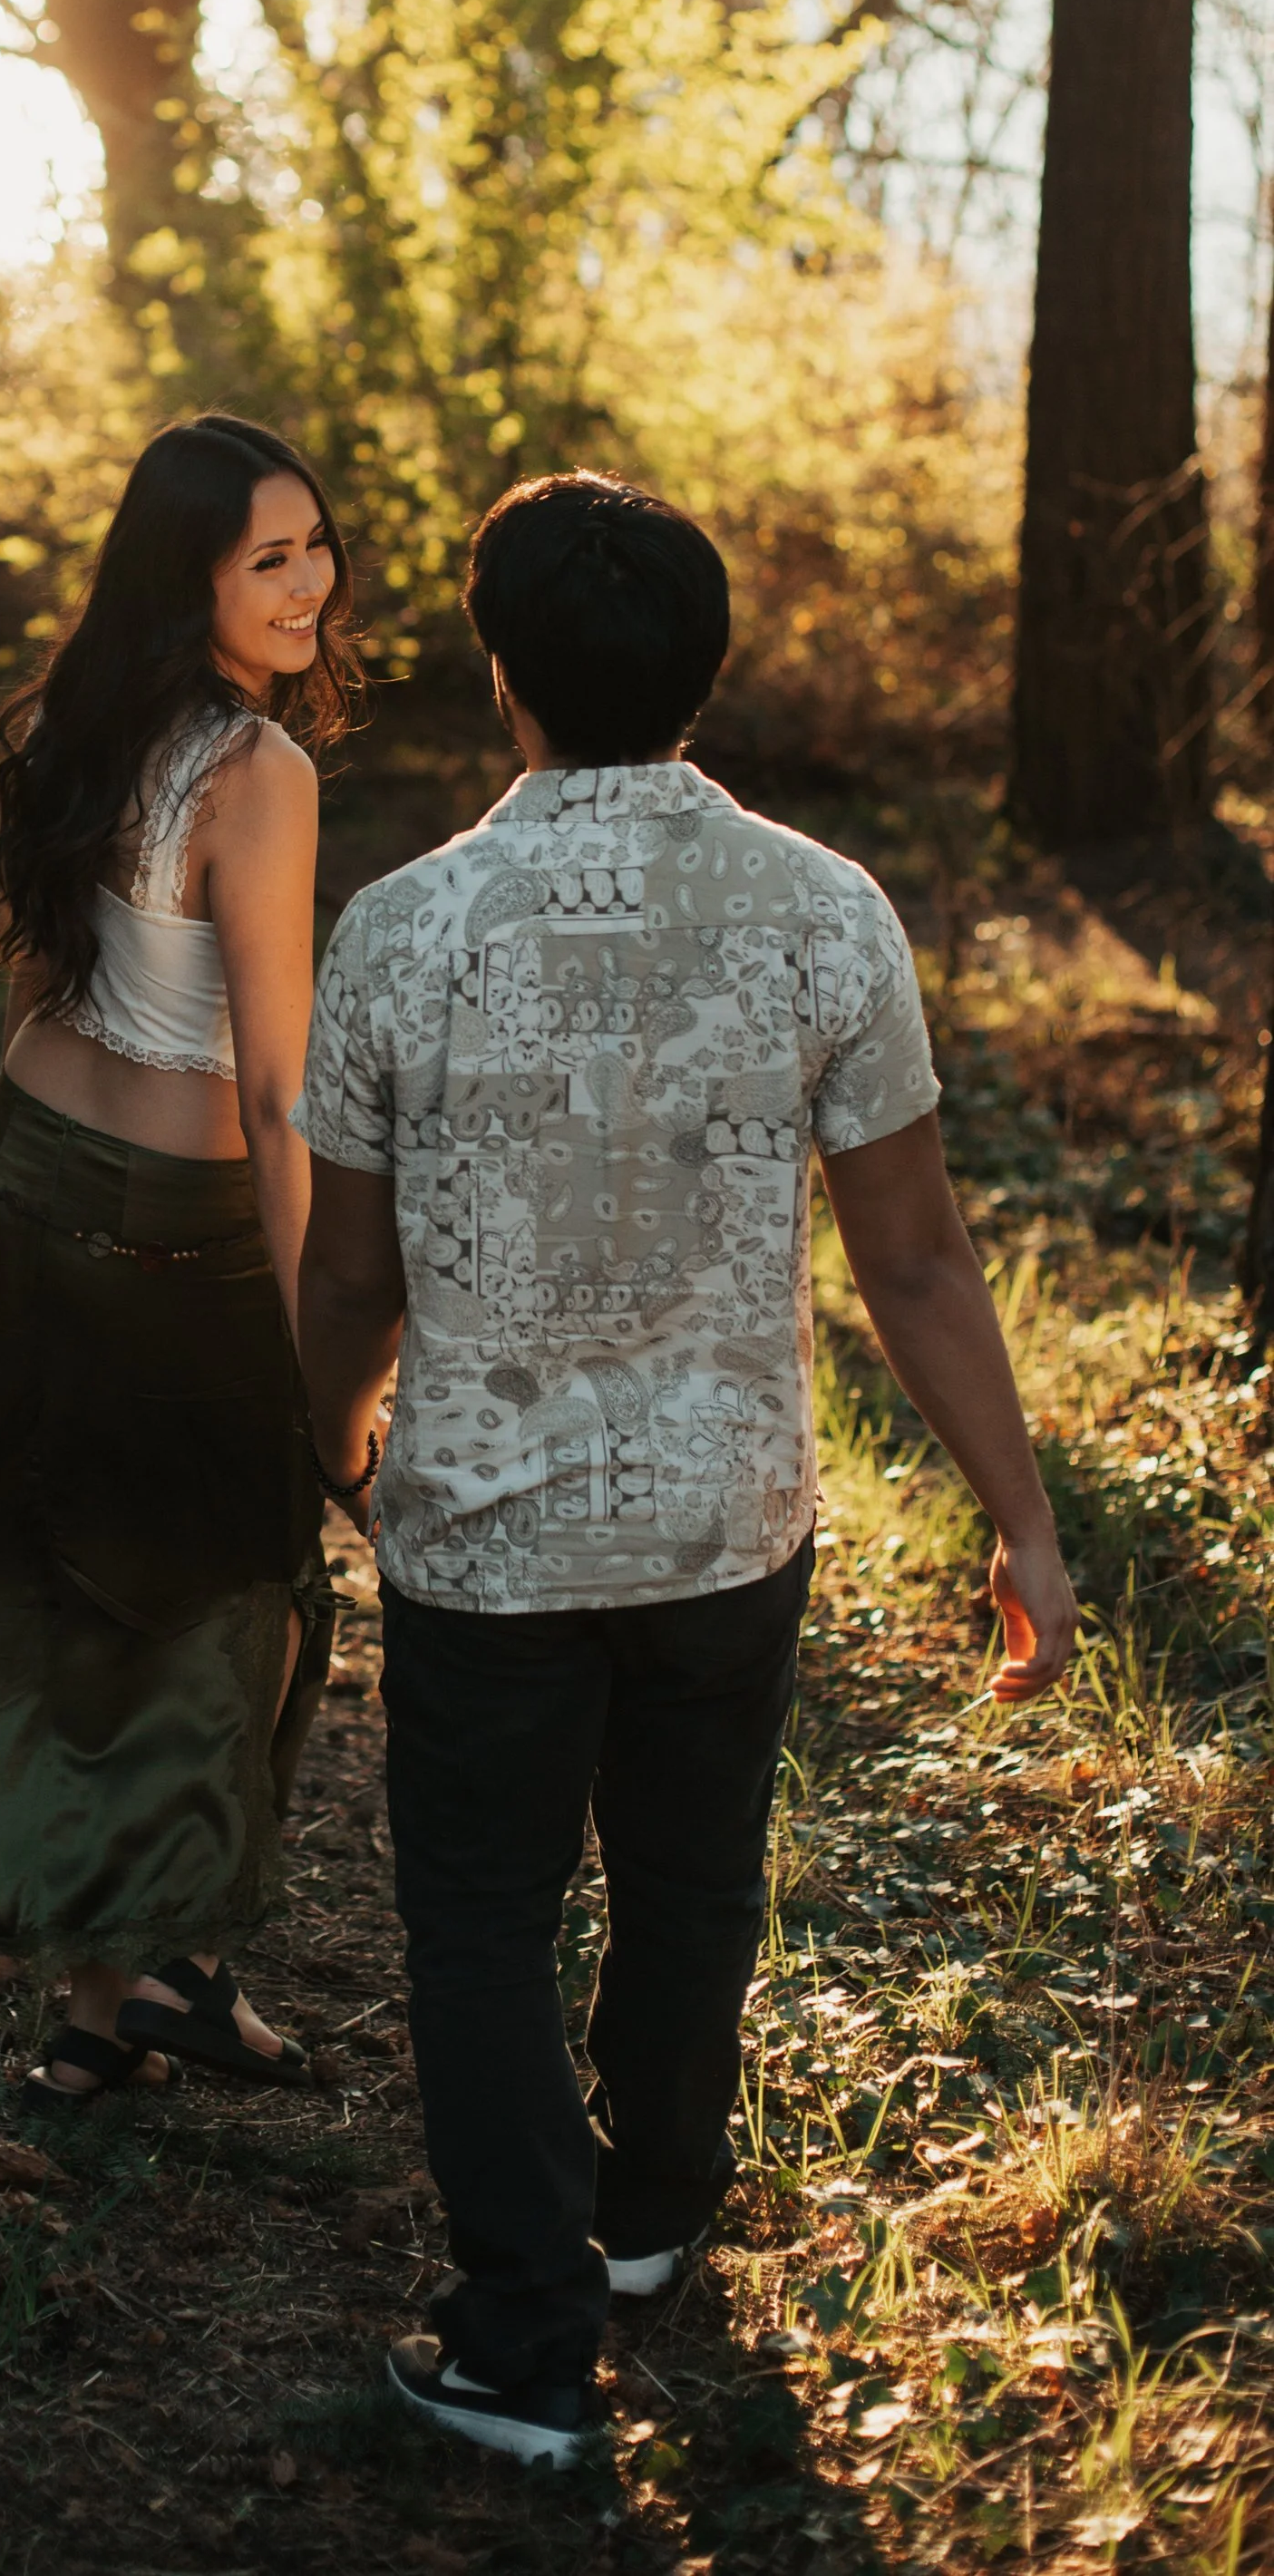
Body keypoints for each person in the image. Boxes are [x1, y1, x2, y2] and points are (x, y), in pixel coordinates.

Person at [295, 471, 1080, 2462]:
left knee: (479, 1926)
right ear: (706, 671)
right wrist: (1020, 1517)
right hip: (726, 1522)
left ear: (499, 674)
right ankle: (643, 2225)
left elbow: (347, 1277)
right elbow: (909, 1255)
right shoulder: (821, 910)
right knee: (687, 1881)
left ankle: (519, 2348)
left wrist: (312, 1453)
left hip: (478, 1534)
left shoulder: (398, 933)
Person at [0, 413, 365, 2103]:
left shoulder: (65, 720)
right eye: (271, 558)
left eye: (316, 544)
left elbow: (42, 984)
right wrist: (324, 1359)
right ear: (188, 580)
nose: (311, 582)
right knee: (225, 1584)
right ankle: (161, 1968)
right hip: (160, 1232)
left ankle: (107, 2004)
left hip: (25, 1179)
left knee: (74, 1582)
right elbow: (275, 1087)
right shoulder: (259, 777)